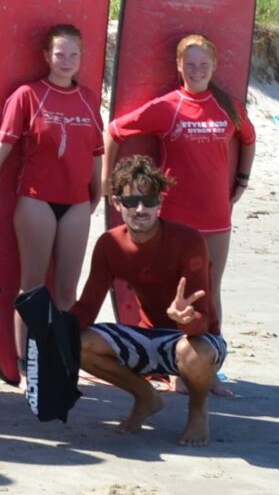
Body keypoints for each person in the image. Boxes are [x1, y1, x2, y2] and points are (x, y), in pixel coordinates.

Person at [0, 22, 104, 349]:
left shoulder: (86, 98)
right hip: (36, 201)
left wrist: (97, 193)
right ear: (46, 56)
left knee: (68, 290)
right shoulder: (28, 95)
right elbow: (3, 147)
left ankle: (63, 360)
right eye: (59, 54)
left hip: (77, 205)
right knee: (34, 287)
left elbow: (96, 152)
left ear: (81, 57)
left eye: (73, 54)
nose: (66, 60)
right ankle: (27, 365)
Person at [73, 155, 222, 446]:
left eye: (148, 200)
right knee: (76, 343)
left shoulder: (188, 240)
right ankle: (145, 396)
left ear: (160, 202)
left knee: (195, 352)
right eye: (130, 202)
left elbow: (204, 321)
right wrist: (57, 327)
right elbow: (88, 307)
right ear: (117, 204)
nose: (140, 209)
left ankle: (198, 409)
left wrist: (186, 319)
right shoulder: (110, 244)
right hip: (148, 338)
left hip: (196, 338)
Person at [109, 32, 256, 303]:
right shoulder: (168, 107)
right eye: (190, 64)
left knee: (210, 291)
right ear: (178, 65)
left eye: (203, 64)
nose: (197, 71)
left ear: (214, 64)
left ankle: (213, 346)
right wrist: (109, 184)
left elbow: (248, 137)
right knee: (171, 290)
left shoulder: (229, 107)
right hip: (175, 216)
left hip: (217, 216)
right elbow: (115, 131)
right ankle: (170, 345)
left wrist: (242, 180)